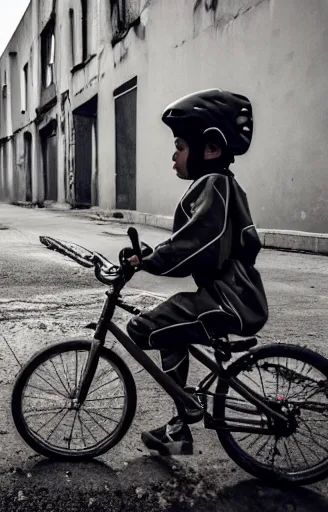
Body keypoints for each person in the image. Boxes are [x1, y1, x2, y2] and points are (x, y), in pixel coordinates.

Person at [123, 89, 268, 456]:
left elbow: (197, 243)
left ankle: (185, 413)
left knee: (145, 327)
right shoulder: (220, 185)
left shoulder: (214, 184)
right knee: (168, 326)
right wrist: (149, 256)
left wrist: (151, 261)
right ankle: (178, 429)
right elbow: (197, 244)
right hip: (232, 295)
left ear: (211, 149)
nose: (174, 154)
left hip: (230, 298)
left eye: (181, 145)